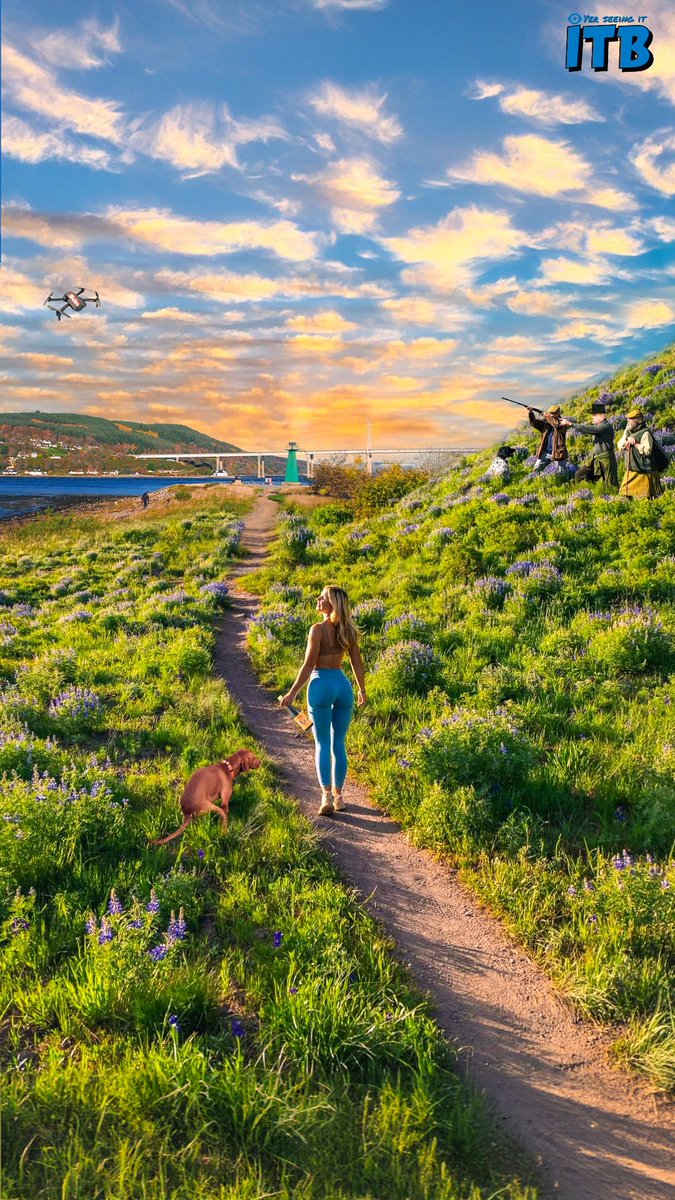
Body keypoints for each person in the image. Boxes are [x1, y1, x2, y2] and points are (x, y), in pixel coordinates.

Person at [279, 585, 366, 815]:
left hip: (320, 685)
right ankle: (340, 797)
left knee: (322, 744)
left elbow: (308, 665)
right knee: (339, 744)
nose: (318, 599)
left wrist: (292, 693)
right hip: (342, 685)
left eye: (323, 597)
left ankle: (326, 796)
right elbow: (357, 663)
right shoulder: (348, 630)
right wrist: (362, 690)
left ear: (332, 604)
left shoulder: (317, 629)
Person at [562, 403, 618, 486]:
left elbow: (589, 429)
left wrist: (571, 424)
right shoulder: (599, 426)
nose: (592, 417)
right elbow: (587, 429)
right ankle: (584, 491)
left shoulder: (605, 426)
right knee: (580, 474)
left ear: (602, 416)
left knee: (611, 483)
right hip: (596, 458)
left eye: (595, 415)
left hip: (606, 459)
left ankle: (612, 496)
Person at [617, 408, 664, 499]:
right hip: (632, 469)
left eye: (631, 419)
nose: (628, 422)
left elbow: (647, 451)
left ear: (638, 421)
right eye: (628, 419)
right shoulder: (628, 431)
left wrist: (636, 444)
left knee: (650, 497)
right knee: (625, 493)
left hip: (645, 471)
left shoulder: (645, 434)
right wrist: (626, 442)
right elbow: (619, 445)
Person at [528, 405, 569, 472]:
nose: (550, 415)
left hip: (558, 453)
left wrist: (546, 416)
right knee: (536, 469)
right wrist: (531, 412)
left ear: (557, 414)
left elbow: (556, 425)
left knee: (562, 473)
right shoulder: (546, 423)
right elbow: (533, 423)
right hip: (546, 453)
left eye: (552, 414)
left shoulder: (562, 423)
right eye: (549, 413)